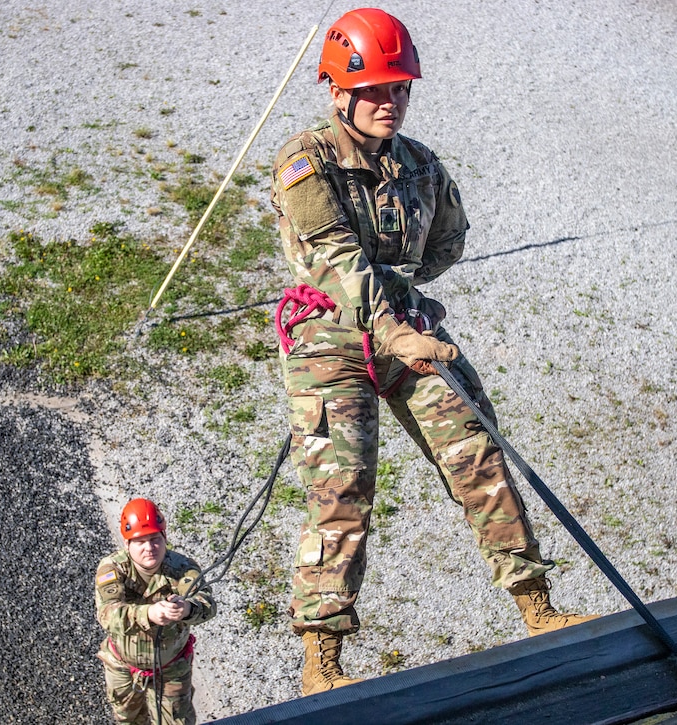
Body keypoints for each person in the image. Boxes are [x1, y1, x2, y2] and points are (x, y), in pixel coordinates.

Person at [270, 7, 596, 697]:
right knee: (344, 485)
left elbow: (448, 242)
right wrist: (393, 321)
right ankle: (321, 659)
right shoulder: (306, 162)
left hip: (406, 332)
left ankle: (537, 607)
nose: (390, 102)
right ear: (337, 93)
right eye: (374, 90)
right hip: (332, 337)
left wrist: (404, 305)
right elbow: (334, 258)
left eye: (400, 88)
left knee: (476, 449)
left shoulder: (420, 164)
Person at [94, 498, 216, 724]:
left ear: (165, 538)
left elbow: (208, 605)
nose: (149, 548)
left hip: (171, 668)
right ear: (127, 543)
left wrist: (187, 608)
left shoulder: (182, 568)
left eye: (154, 540)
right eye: (140, 541)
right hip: (124, 665)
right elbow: (108, 614)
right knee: (128, 719)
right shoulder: (112, 569)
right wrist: (148, 614)